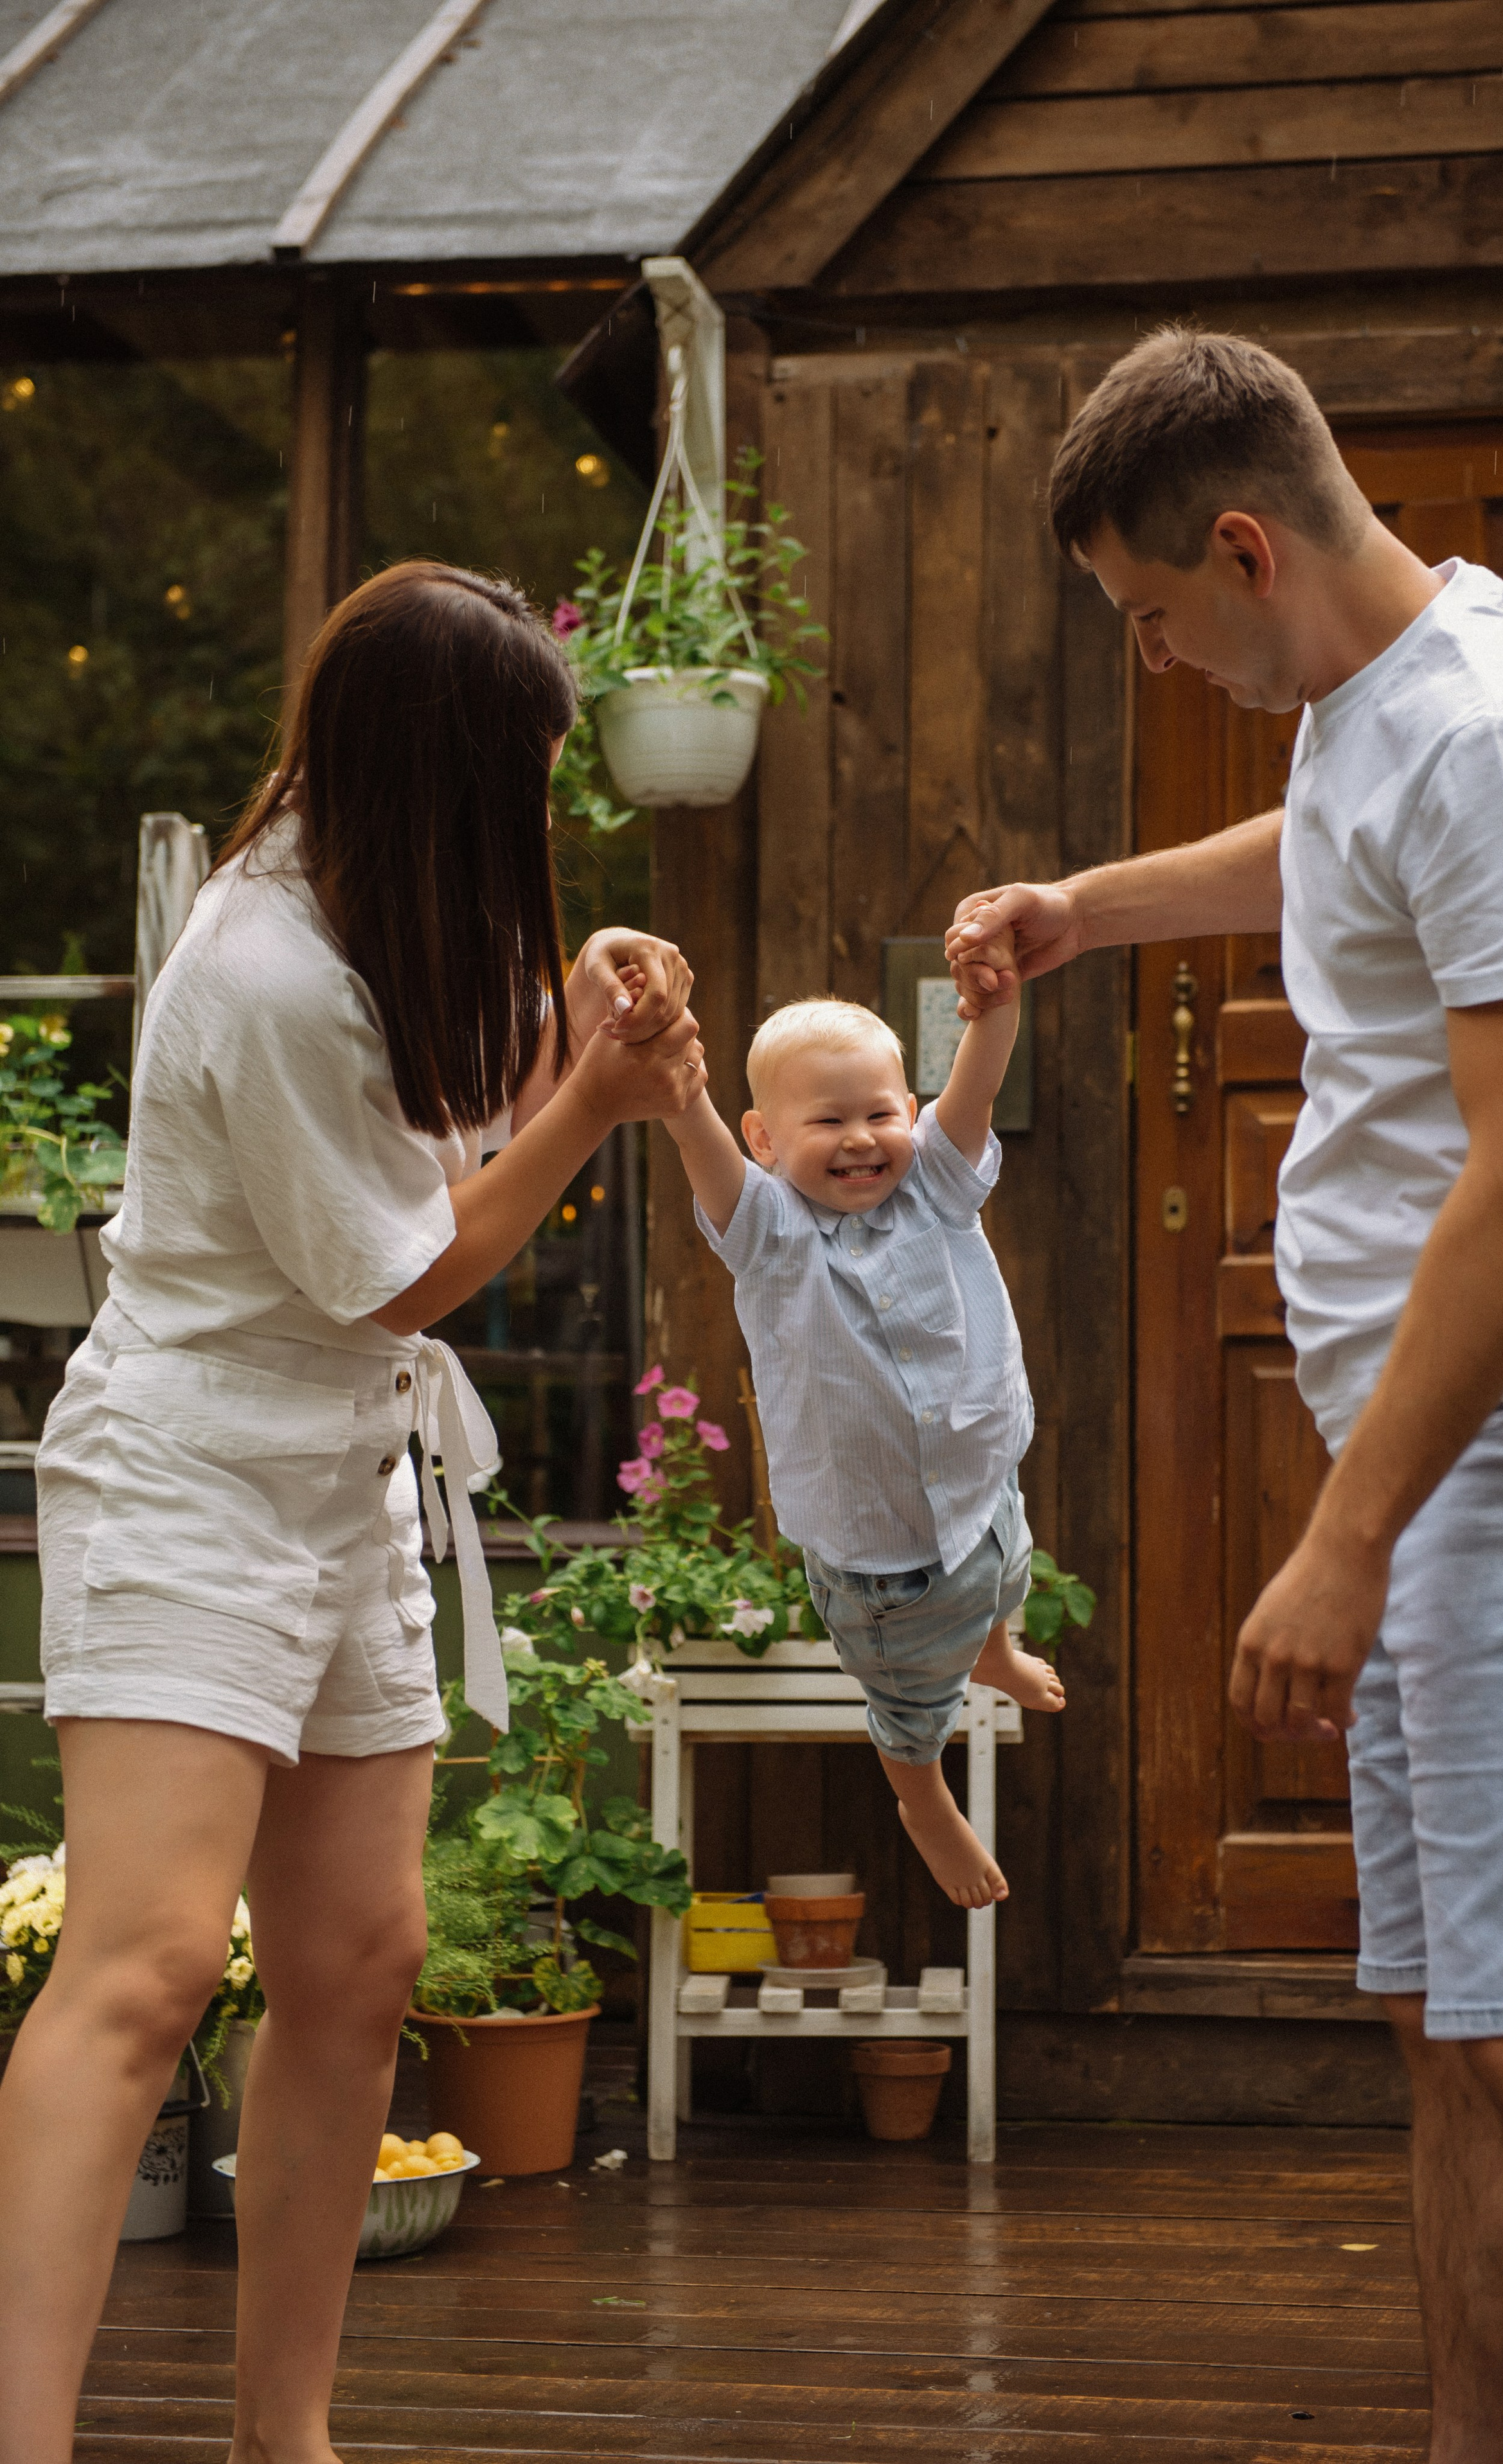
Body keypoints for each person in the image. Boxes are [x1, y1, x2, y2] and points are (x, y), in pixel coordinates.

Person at [946, 326, 1503, 2461]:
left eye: (1154, 618)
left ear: (1244, 546)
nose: (1153, 662)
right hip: (1440, 1469)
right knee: (1458, 2030)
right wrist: (1085, 913)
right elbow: (1325, 858)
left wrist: (1344, 1542)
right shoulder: (1384, 711)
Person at [0, 561, 705, 2464]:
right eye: (532, 779)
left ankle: (283, 2435)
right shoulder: (270, 966)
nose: (544, 819)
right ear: (444, 764)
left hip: (344, 1472)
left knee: (359, 1955)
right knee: (145, 1963)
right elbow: (407, 1270)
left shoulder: (380, 902)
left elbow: (448, 1141)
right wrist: (601, 1104)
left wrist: (574, 1014)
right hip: (191, 1469)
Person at [660, 990, 1065, 1910]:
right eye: (828, 1120)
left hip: (978, 1484)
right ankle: (922, 1802)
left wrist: (996, 1011)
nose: (861, 1139)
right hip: (885, 1563)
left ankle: (992, 1648)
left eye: (881, 1113)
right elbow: (702, 1150)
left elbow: (979, 1086)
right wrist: (685, 1099)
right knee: (910, 1706)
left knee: (1007, 1571)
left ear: (911, 1118)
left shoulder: (935, 1183)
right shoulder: (769, 1233)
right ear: (763, 1139)